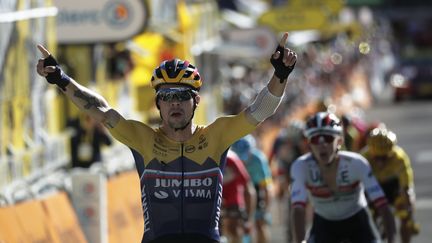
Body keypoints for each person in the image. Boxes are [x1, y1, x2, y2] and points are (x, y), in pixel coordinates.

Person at [36, 32, 297, 243]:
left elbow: (260, 110)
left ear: (195, 101)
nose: (175, 104)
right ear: (158, 104)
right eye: (167, 97)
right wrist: (61, 78)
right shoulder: (144, 139)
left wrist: (280, 75)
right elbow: (102, 110)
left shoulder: (217, 135)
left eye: (182, 96)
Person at [290, 112, 396, 243]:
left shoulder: (356, 163)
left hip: (357, 221)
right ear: (309, 144)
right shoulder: (301, 166)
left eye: (328, 138)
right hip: (324, 223)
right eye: (315, 139)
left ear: (339, 141)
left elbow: (383, 207)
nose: (322, 145)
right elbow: (298, 210)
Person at [362, 125, 419, 243]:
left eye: (385, 157)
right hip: (374, 187)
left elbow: (406, 187)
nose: (381, 162)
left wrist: (409, 214)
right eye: (377, 158)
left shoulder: (399, 157)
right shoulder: (363, 158)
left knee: (405, 214)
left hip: (394, 188)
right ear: (371, 152)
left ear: (391, 151)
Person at [231, 135, 273, 243]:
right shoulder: (230, 159)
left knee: (260, 223)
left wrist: (265, 211)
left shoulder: (258, 159)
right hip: (239, 188)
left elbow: (266, 187)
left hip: (257, 186)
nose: (243, 162)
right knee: (237, 224)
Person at [221, 151, 256, 243]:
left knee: (234, 230)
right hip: (215, 200)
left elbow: (248, 187)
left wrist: (248, 219)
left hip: (233, 202)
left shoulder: (232, 159)